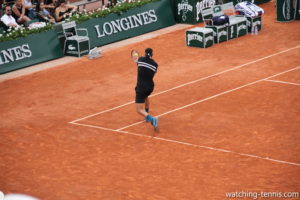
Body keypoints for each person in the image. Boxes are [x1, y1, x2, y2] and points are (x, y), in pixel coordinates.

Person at [135, 48, 159, 130]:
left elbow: (138, 65)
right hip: (150, 87)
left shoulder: (140, 60)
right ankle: (147, 112)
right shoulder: (155, 65)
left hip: (141, 87)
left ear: (145, 54)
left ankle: (151, 119)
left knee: (138, 110)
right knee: (145, 96)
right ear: (152, 54)